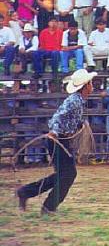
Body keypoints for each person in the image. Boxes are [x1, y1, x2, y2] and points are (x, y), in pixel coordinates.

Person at [16, 68, 97, 214]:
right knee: (68, 174)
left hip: (61, 140)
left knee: (63, 174)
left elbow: (67, 118)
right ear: (85, 86)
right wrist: (54, 131)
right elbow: (58, 117)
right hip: (58, 140)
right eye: (91, 83)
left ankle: (27, 192)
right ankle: (47, 206)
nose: (92, 86)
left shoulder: (78, 100)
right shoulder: (75, 101)